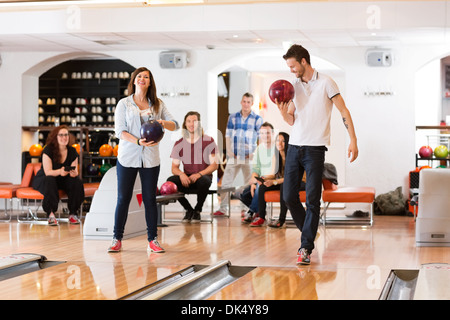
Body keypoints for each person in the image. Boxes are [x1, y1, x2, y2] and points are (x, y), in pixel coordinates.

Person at [277, 44, 358, 265]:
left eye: (293, 66)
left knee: (313, 199)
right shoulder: (293, 86)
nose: (291, 70)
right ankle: (309, 231)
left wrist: (353, 140)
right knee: (288, 197)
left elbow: (343, 111)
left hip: (315, 149)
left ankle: (305, 247)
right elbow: (292, 119)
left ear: (304, 61)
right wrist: (284, 114)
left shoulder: (327, 82)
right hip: (294, 146)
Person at [108, 67, 179, 253]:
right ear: (133, 81)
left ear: (150, 82)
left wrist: (163, 123)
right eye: (139, 76)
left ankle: (152, 240)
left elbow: (175, 125)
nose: (142, 79)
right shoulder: (123, 104)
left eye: (146, 77)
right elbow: (119, 132)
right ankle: (117, 238)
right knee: (123, 198)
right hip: (127, 157)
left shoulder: (157, 104)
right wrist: (138, 141)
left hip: (150, 159)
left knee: (149, 199)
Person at [213, 92, 263, 216]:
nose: (246, 104)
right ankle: (223, 208)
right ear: (241, 102)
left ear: (252, 104)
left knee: (249, 183)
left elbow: (261, 138)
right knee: (225, 183)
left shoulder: (257, 119)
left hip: (249, 157)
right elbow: (228, 135)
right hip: (234, 156)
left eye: (248, 102)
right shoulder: (233, 117)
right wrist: (229, 151)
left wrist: (254, 153)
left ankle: (245, 209)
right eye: (244, 101)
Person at [167, 111, 218, 223]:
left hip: (203, 176)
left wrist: (199, 174)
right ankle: (189, 209)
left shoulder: (208, 141)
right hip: (187, 177)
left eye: (194, 121)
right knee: (171, 181)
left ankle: (198, 210)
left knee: (203, 181)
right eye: (189, 121)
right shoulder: (179, 143)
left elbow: (214, 165)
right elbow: (174, 167)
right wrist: (181, 174)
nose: (191, 124)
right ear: (185, 124)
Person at [32, 125, 84, 226]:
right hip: (47, 178)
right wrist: (60, 171)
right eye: (61, 135)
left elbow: (75, 170)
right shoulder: (48, 150)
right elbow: (48, 172)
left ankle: (73, 213)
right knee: (50, 179)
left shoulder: (72, 151)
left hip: (64, 179)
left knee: (77, 181)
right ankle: (51, 214)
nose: (64, 137)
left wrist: (74, 173)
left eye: (66, 135)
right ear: (55, 137)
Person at [240, 122, 276, 225]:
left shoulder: (276, 149)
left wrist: (258, 181)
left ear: (273, 134)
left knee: (259, 187)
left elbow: (276, 172)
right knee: (242, 193)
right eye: (263, 133)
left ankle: (252, 213)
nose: (265, 136)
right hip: (260, 180)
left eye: (268, 133)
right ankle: (258, 211)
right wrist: (253, 183)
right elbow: (255, 169)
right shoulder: (259, 149)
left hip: (272, 180)